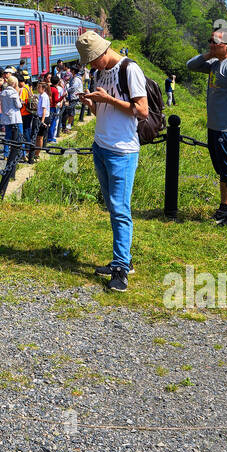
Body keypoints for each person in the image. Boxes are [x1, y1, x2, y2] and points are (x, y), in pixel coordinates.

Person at [77, 32, 149, 293]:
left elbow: (142, 110)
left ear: (102, 52)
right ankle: (123, 259)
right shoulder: (99, 74)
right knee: (113, 206)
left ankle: (121, 267)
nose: (92, 66)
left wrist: (108, 99)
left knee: (120, 209)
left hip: (122, 151)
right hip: (101, 146)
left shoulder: (130, 69)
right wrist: (92, 103)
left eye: (93, 60)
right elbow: (102, 112)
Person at [187, 27, 227, 227]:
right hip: (214, 126)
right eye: (211, 41)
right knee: (222, 169)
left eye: (217, 43)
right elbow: (191, 65)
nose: (212, 45)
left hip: (226, 127)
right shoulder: (215, 64)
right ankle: (224, 208)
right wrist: (210, 54)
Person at [0, 71, 24, 161]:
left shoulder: (3, 93)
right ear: (14, 83)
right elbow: (18, 106)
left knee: (7, 136)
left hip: (6, 116)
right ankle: (22, 153)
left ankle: (6, 154)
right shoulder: (14, 93)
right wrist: (21, 102)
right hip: (15, 117)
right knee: (20, 135)